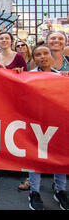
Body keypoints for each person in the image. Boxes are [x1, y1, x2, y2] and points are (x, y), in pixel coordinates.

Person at [26, 45, 68, 210]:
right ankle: (34, 192)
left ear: (51, 56)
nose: (42, 57)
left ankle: (60, 190)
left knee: (60, 155)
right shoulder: (27, 76)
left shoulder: (63, 77)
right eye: (38, 54)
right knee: (35, 156)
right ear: (34, 58)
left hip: (58, 122)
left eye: (45, 53)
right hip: (36, 122)